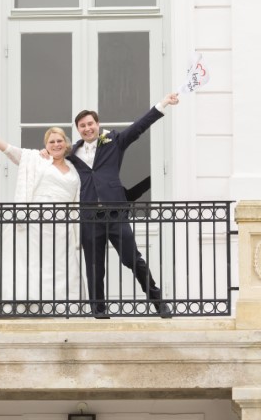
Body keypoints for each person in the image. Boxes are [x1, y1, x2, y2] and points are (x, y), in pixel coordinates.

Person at [67, 92, 180, 318]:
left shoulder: (114, 142)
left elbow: (139, 126)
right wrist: (44, 152)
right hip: (89, 217)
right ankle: (99, 311)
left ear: (98, 125)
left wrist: (163, 104)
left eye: (90, 124)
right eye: (82, 126)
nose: (87, 128)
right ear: (78, 129)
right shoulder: (72, 154)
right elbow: (53, 158)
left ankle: (158, 301)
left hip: (115, 213)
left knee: (132, 258)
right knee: (94, 266)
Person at [0, 121, 82, 310]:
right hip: (36, 221)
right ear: (46, 146)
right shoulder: (35, 159)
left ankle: (62, 305)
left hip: (63, 225)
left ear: (66, 144)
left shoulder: (74, 168)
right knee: (33, 262)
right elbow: (7, 148)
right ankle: (32, 304)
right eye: (51, 142)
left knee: (59, 264)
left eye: (59, 141)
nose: (56, 145)